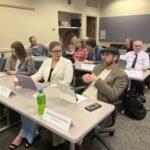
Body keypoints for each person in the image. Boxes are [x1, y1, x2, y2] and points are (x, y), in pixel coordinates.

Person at [9, 41, 73, 150]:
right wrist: (25, 80)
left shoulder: (67, 63)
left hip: (58, 93)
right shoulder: (47, 62)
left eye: (59, 51)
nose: (58, 53)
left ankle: (29, 134)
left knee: (35, 106)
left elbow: (67, 82)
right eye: (55, 51)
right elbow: (38, 75)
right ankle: (26, 133)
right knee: (27, 106)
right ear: (50, 52)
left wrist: (50, 87)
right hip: (45, 90)